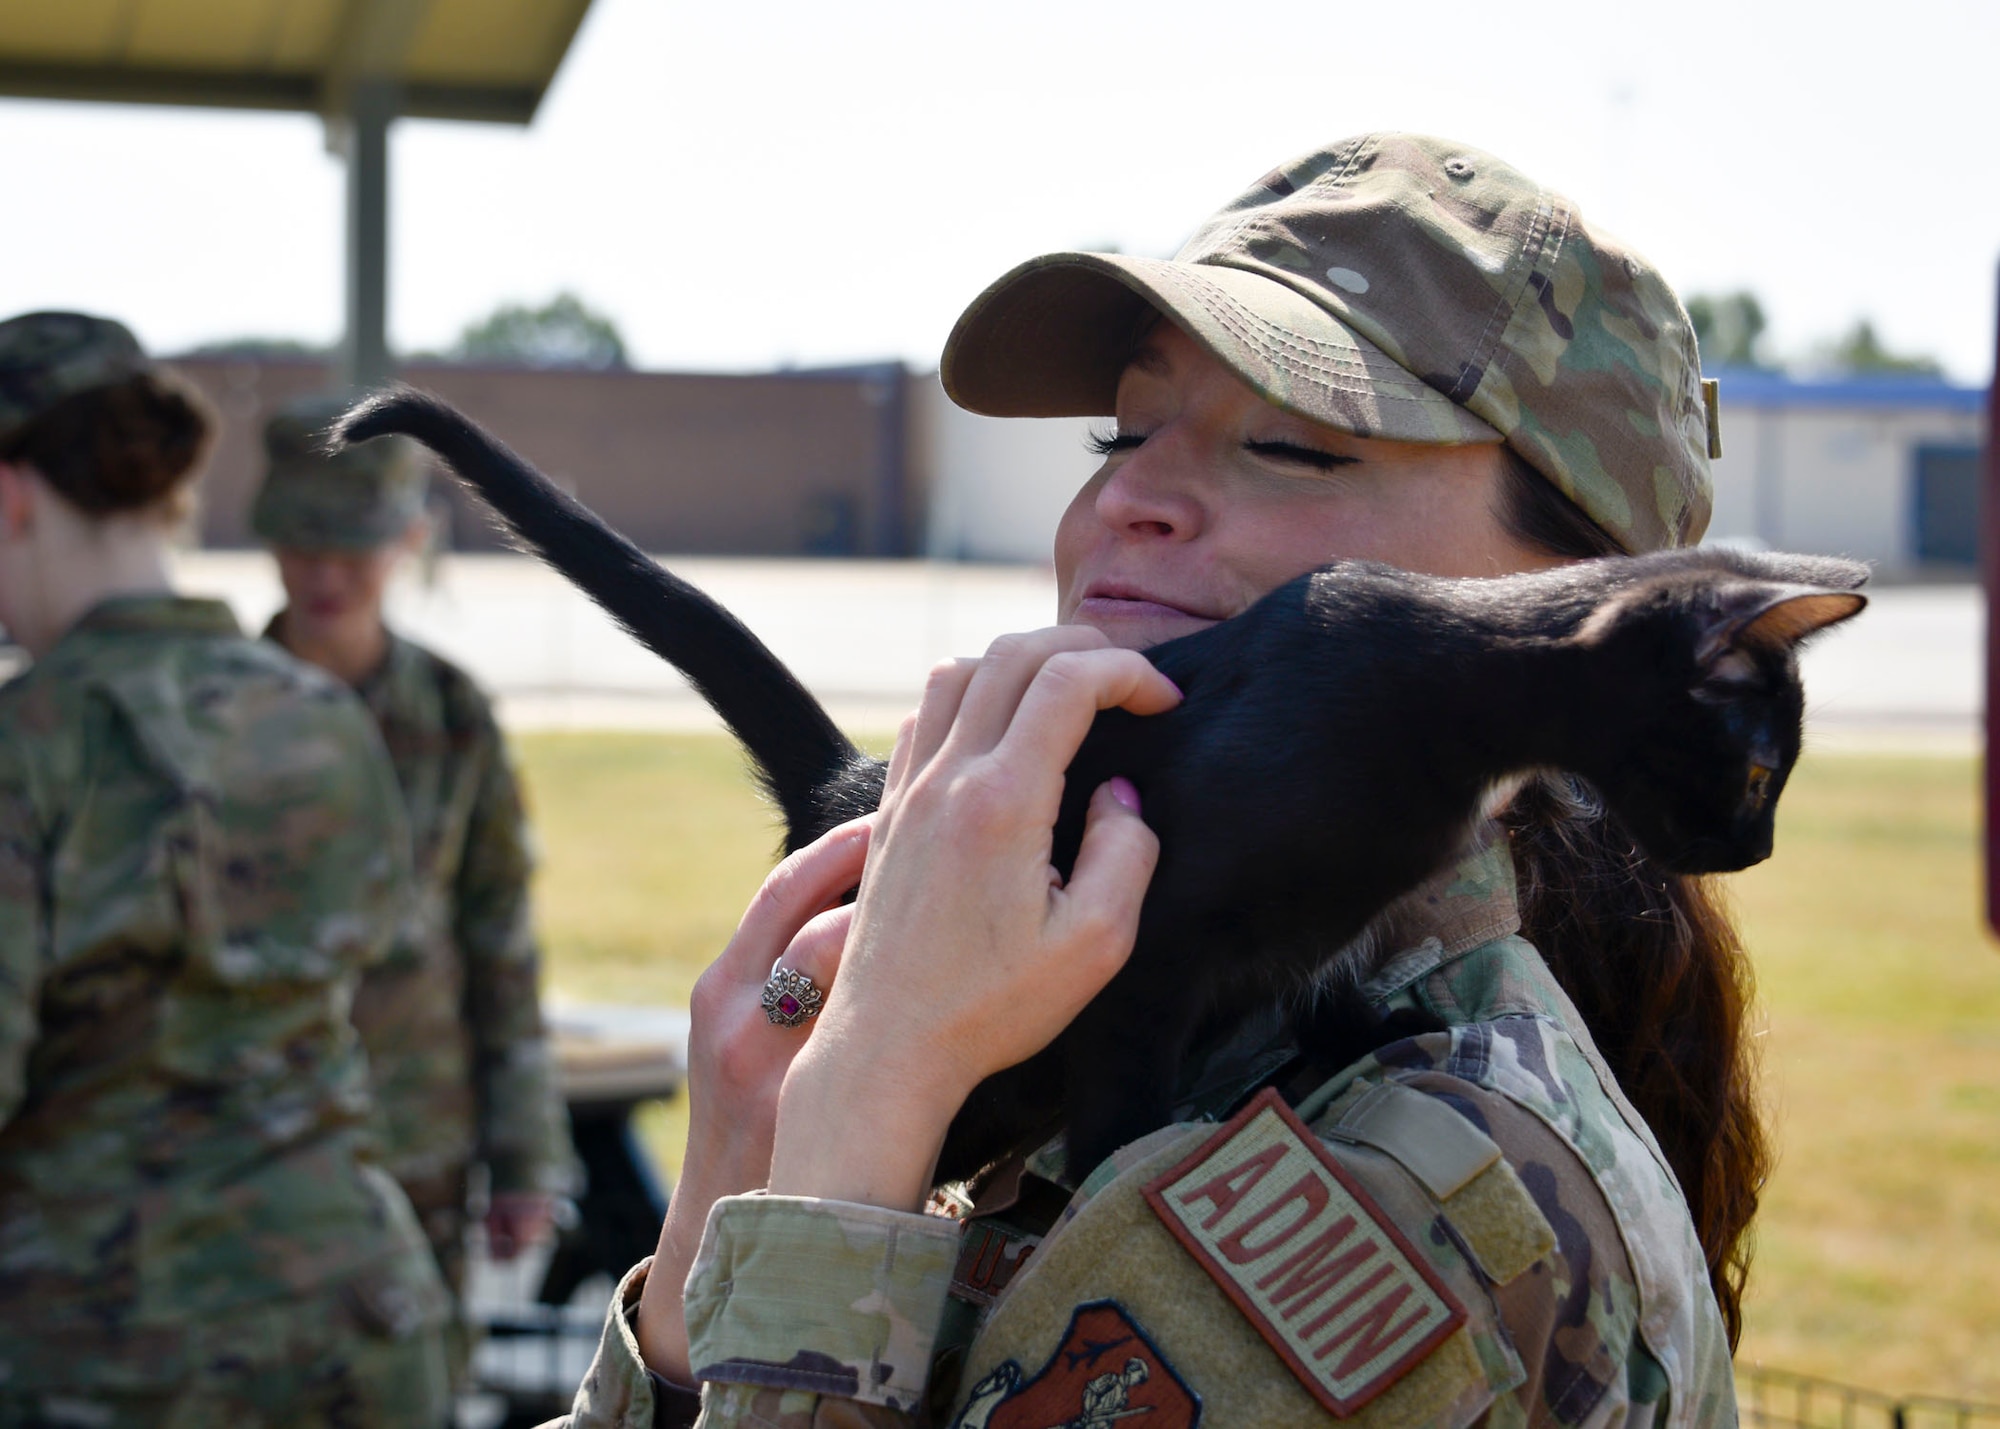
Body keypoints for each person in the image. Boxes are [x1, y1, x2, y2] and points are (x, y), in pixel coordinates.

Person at [558, 133, 1755, 1428]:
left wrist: (859, 1111)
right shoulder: (1097, 998)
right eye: (1120, 431)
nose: (1129, 493)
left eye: (1298, 448)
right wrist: (702, 1272)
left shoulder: (1400, 1195)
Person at [0, 312, 452, 1426]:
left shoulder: (31, 740)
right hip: (358, 1324)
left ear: (12, 496)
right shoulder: (320, 716)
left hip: (114, 1352)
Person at [251, 394, 576, 1380]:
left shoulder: (450, 713)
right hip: (246, 1145)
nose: (324, 572)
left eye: (353, 545)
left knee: (411, 1384)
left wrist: (524, 1157)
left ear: (409, 541)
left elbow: (499, 935)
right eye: (303, 542)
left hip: (417, 1136)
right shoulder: (218, 707)